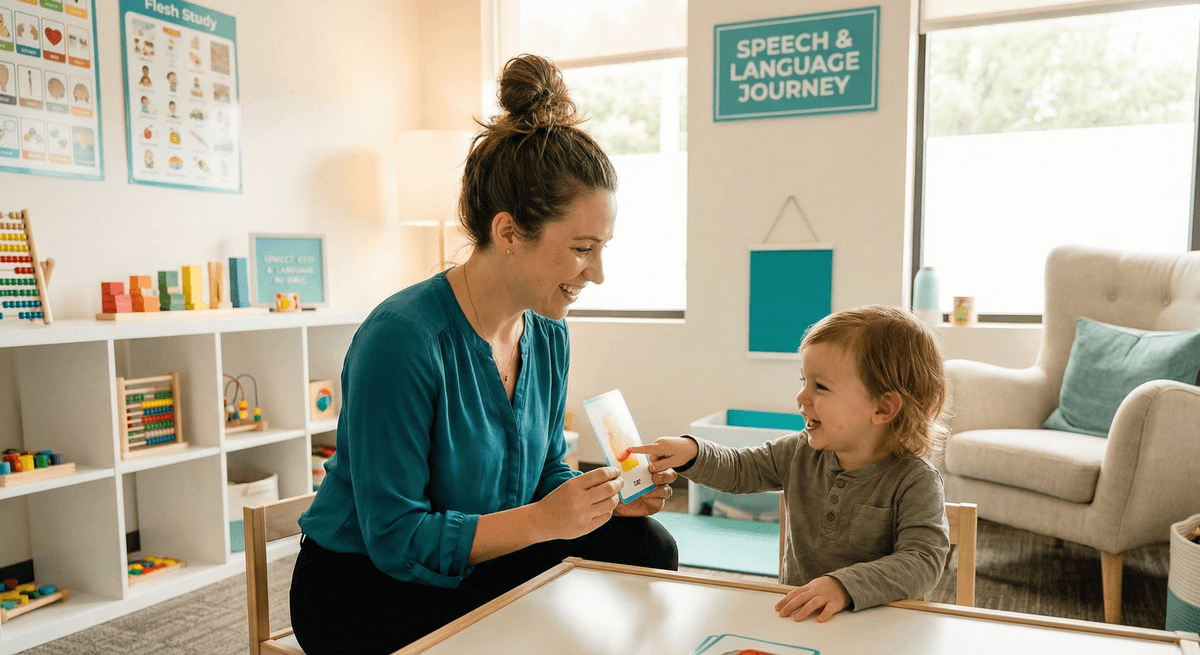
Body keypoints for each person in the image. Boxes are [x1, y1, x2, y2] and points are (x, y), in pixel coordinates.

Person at [290, 54, 678, 655]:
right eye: (582, 248)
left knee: (648, 545)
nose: (597, 273)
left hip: (490, 552)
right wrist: (546, 523)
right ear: (507, 233)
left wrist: (601, 497)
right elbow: (395, 538)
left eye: (602, 248)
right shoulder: (402, 339)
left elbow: (544, 469)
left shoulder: (547, 332)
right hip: (366, 586)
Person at [632, 304, 951, 624]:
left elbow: (922, 561)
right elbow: (742, 468)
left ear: (883, 408)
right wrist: (694, 452)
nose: (801, 397)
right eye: (804, 381)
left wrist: (843, 586)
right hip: (803, 619)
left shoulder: (915, 480)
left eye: (820, 386)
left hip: (881, 626)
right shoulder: (800, 452)